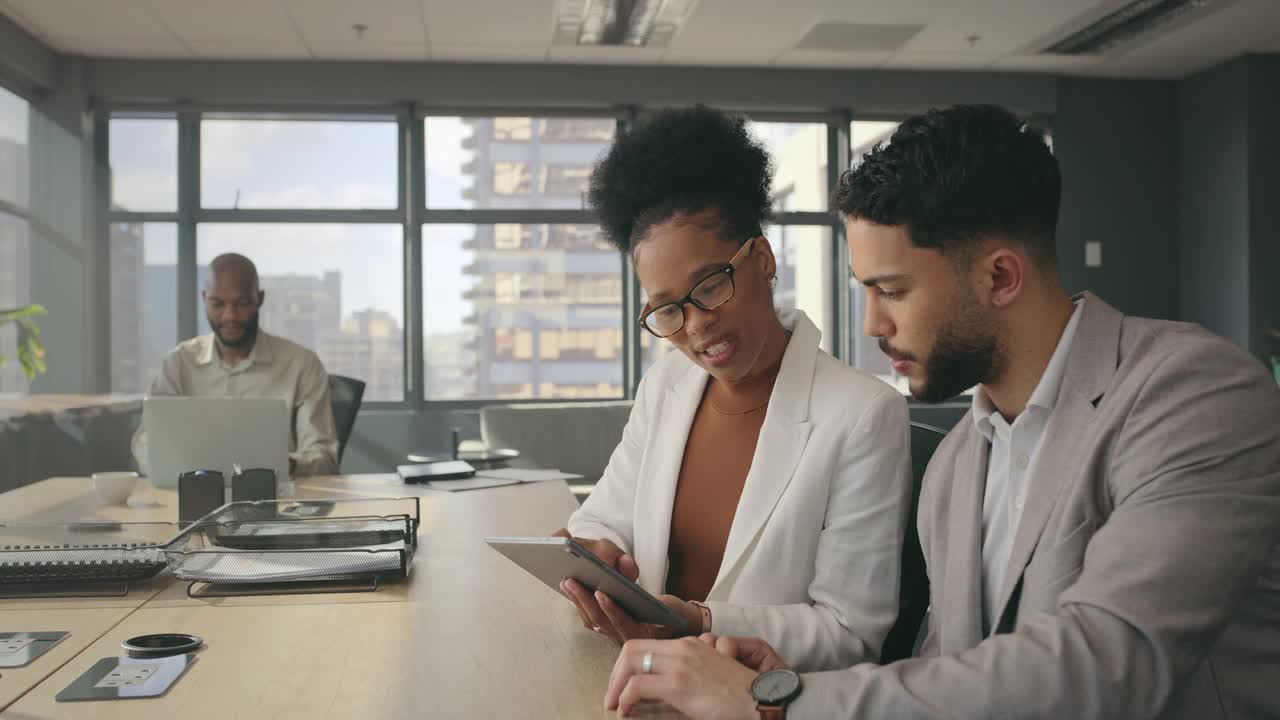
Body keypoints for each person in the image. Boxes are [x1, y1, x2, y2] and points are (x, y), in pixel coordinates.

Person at [602, 104, 1280, 720]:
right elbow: (945, 677)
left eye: (891, 291)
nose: (870, 325)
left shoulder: (1195, 394)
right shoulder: (957, 464)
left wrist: (779, 704)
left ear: (1000, 277)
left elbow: (1108, 664)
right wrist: (780, 679)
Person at [554, 106, 912, 674]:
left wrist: (699, 622)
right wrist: (591, 553)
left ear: (763, 259)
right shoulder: (666, 385)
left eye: (710, 286)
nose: (695, 327)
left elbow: (850, 632)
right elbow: (604, 516)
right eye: (667, 309)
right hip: (644, 680)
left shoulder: (864, 415)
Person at [132, 253, 339, 477]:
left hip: (275, 498)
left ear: (260, 299)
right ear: (204, 299)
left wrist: (283, 465)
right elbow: (146, 440)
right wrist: (170, 464)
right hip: (195, 492)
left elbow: (324, 458)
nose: (230, 315)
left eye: (242, 303)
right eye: (218, 304)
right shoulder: (178, 363)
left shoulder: (302, 365)